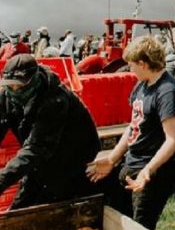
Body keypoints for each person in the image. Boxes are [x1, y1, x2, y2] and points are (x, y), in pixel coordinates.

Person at [86, 36, 175, 230]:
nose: (130, 70)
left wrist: (149, 169)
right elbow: (133, 126)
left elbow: (173, 139)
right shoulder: (142, 85)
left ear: (143, 63)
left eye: (132, 65)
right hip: (134, 161)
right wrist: (113, 158)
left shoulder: (167, 92)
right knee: (118, 218)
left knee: (141, 228)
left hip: (155, 168)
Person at [0, 55, 100, 208]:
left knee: (54, 206)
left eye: (19, 86)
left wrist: (2, 180)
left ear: (34, 80)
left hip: (72, 152)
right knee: (20, 206)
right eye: (10, 86)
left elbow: (36, 148)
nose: (14, 90)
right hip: (39, 151)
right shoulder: (6, 95)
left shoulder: (55, 100)